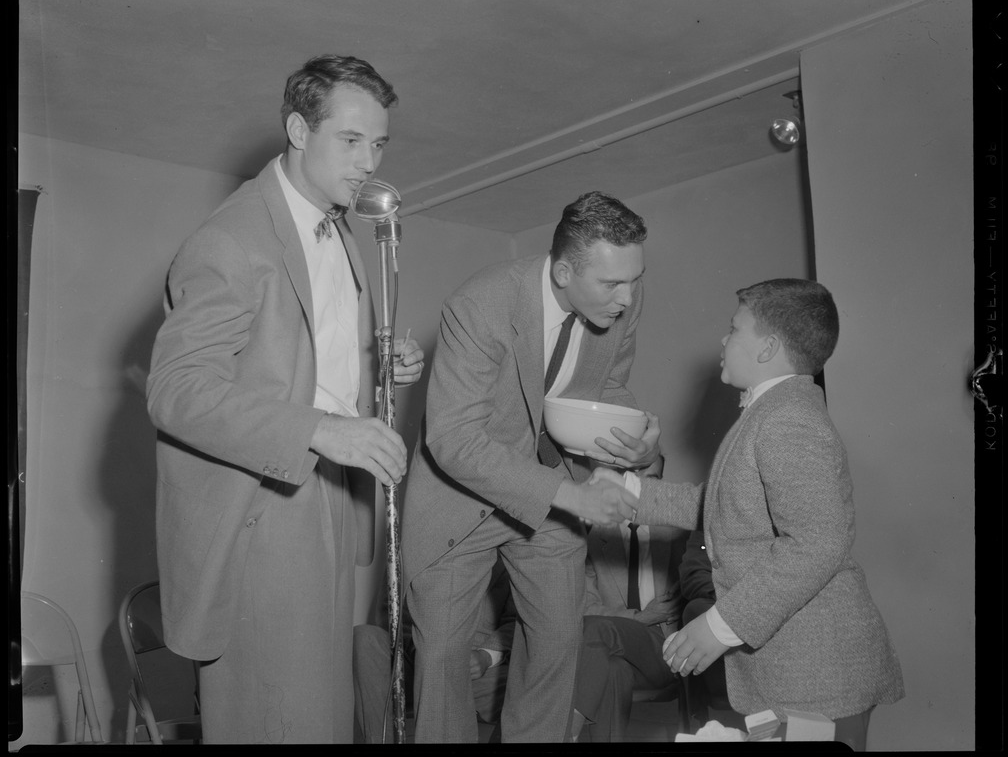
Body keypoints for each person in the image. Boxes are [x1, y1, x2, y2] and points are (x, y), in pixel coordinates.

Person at [146, 54, 424, 744]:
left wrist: (381, 368)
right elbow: (176, 391)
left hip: (330, 489)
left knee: (322, 715)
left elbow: (303, 356)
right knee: (276, 718)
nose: (369, 161)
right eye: (350, 140)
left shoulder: (338, 229)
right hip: (262, 501)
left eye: (379, 142)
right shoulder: (231, 239)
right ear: (299, 130)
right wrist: (324, 430)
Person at [592, 278, 904, 750]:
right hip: (799, 664)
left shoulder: (787, 420)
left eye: (734, 329)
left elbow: (819, 542)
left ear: (768, 348)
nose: (723, 339)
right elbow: (726, 506)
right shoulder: (771, 412)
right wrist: (632, 492)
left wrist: (721, 626)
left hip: (819, 670)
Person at [402, 191, 660, 742]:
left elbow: (605, 388)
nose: (628, 298)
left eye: (634, 280)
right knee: (444, 665)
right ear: (564, 271)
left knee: (555, 651)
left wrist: (634, 443)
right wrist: (572, 497)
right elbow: (453, 440)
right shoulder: (481, 304)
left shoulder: (621, 305)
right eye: (613, 284)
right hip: (459, 501)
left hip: (550, 502)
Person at [353, 557, 516, 744]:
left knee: (533, 678)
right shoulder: (410, 546)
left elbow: (519, 622)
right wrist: (422, 652)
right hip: (416, 664)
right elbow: (389, 614)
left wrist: (486, 656)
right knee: (364, 637)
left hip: (480, 673)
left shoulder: (509, 552)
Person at [570, 496, 687, 742]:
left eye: (651, 479)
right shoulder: (592, 538)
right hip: (607, 650)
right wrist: (642, 617)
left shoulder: (676, 535)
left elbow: (697, 584)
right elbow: (586, 608)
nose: (642, 490)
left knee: (597, 630)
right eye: (636, 478)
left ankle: (566, 731)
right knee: (613, 670)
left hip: (663, 650)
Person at [676, 528, 744, 732]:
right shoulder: (709, 523)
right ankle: (725, 709)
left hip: (779, 609)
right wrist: (733, 605)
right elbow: (693, 573)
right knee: (696, 610)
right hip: (723, 608)